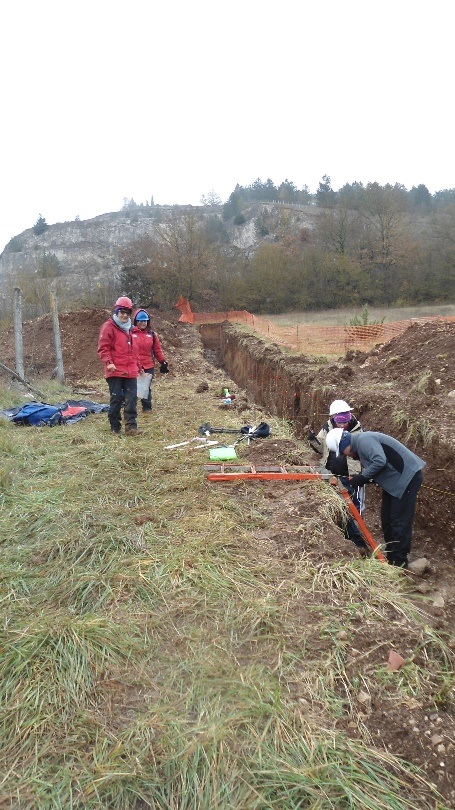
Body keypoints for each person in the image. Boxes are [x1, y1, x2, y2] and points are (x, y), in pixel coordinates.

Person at [326, 428, 426, 568]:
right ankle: (391, 557)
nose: (346, 455)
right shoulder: (360, 447)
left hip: (407, 479)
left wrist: (363, 477)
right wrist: (361, 479)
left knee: (398, 522)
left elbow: (380, 461)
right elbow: (382, 467)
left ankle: (399, 563)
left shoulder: (364, 441)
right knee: (387, 520)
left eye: (343, 452)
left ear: (344, 444)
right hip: (394, 482)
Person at [308, 400, 366, 549]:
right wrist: (313, 441)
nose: (342, 425)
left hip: (350, 476)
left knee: (352, 508)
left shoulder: (357, 431)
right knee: (335, 507)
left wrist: (360, 475)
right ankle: (341, 537)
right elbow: (321, 448)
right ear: (334, 418)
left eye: (345, 421)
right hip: (330, 474)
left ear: (349, 417)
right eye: (339, 422)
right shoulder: (327, 427)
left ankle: (358, 542)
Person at [97, 296, 143, 436]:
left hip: (130, 371)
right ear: (116, 312)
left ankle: (131, 427)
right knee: (116, 399)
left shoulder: (132, 329)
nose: (124, 315)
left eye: (127, 313)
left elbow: (135, 351)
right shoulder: (108, 327)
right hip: (115, 370)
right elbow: (103, 348)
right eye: (121, 312)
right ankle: (115, 427)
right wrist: (109, 363)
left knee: (132, 398)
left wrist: (139, 366)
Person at [131, 309, 168, 412]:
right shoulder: (130, 333)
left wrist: (162, 361)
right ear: (136, 321)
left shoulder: (152, 335)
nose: (143, 323)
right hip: (133, 365)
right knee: (132, 387)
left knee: (145, 386)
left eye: (145, 321)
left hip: (148, 365)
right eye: (140, 321)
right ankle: (130, 408)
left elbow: (157, 350)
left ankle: (147, 408)